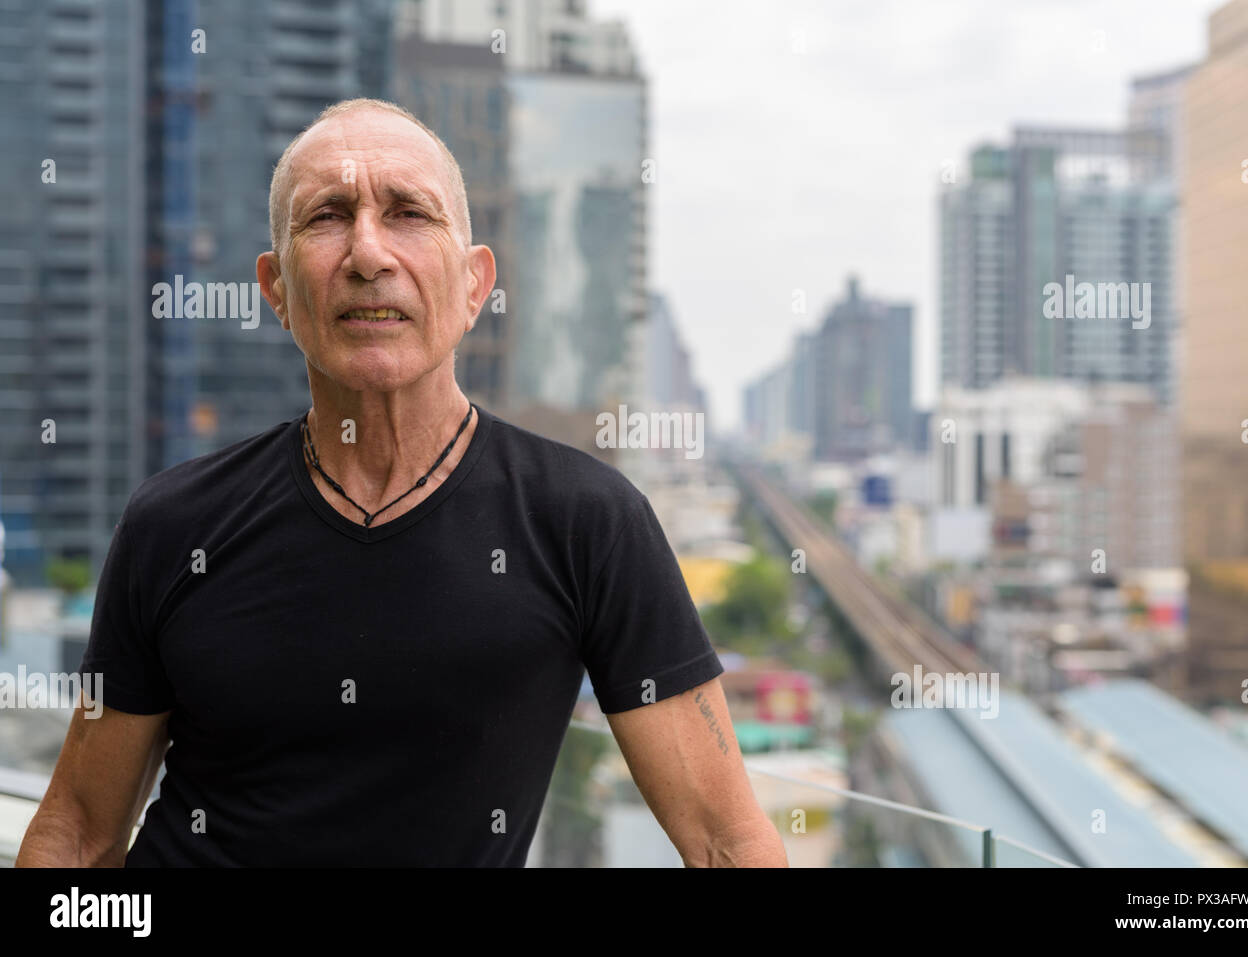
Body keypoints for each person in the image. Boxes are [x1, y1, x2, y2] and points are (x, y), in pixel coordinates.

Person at [16, 98, 786, 867]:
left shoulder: (587, 522)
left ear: (474, 283)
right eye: (327, 216)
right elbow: (79, 834)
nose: (368, 254)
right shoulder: (173, 525)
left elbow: (726, 842)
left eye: (409, 213)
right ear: (277, 288)